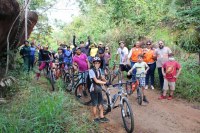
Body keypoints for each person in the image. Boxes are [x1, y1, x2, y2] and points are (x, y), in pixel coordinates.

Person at [89, 56, 109, 123]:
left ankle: (102, 116)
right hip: (93, 89)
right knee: (95, 104)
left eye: (98, 63)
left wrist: (107, 81)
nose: (97, 64)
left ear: (100, 64)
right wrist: (105, 82)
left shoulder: (99, 70)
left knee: (101, 102)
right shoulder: (91, 71)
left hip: (99, 88)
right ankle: (95, 118)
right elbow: (96, 81)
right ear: (93, 64)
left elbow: (102, 77)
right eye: (96, 63)